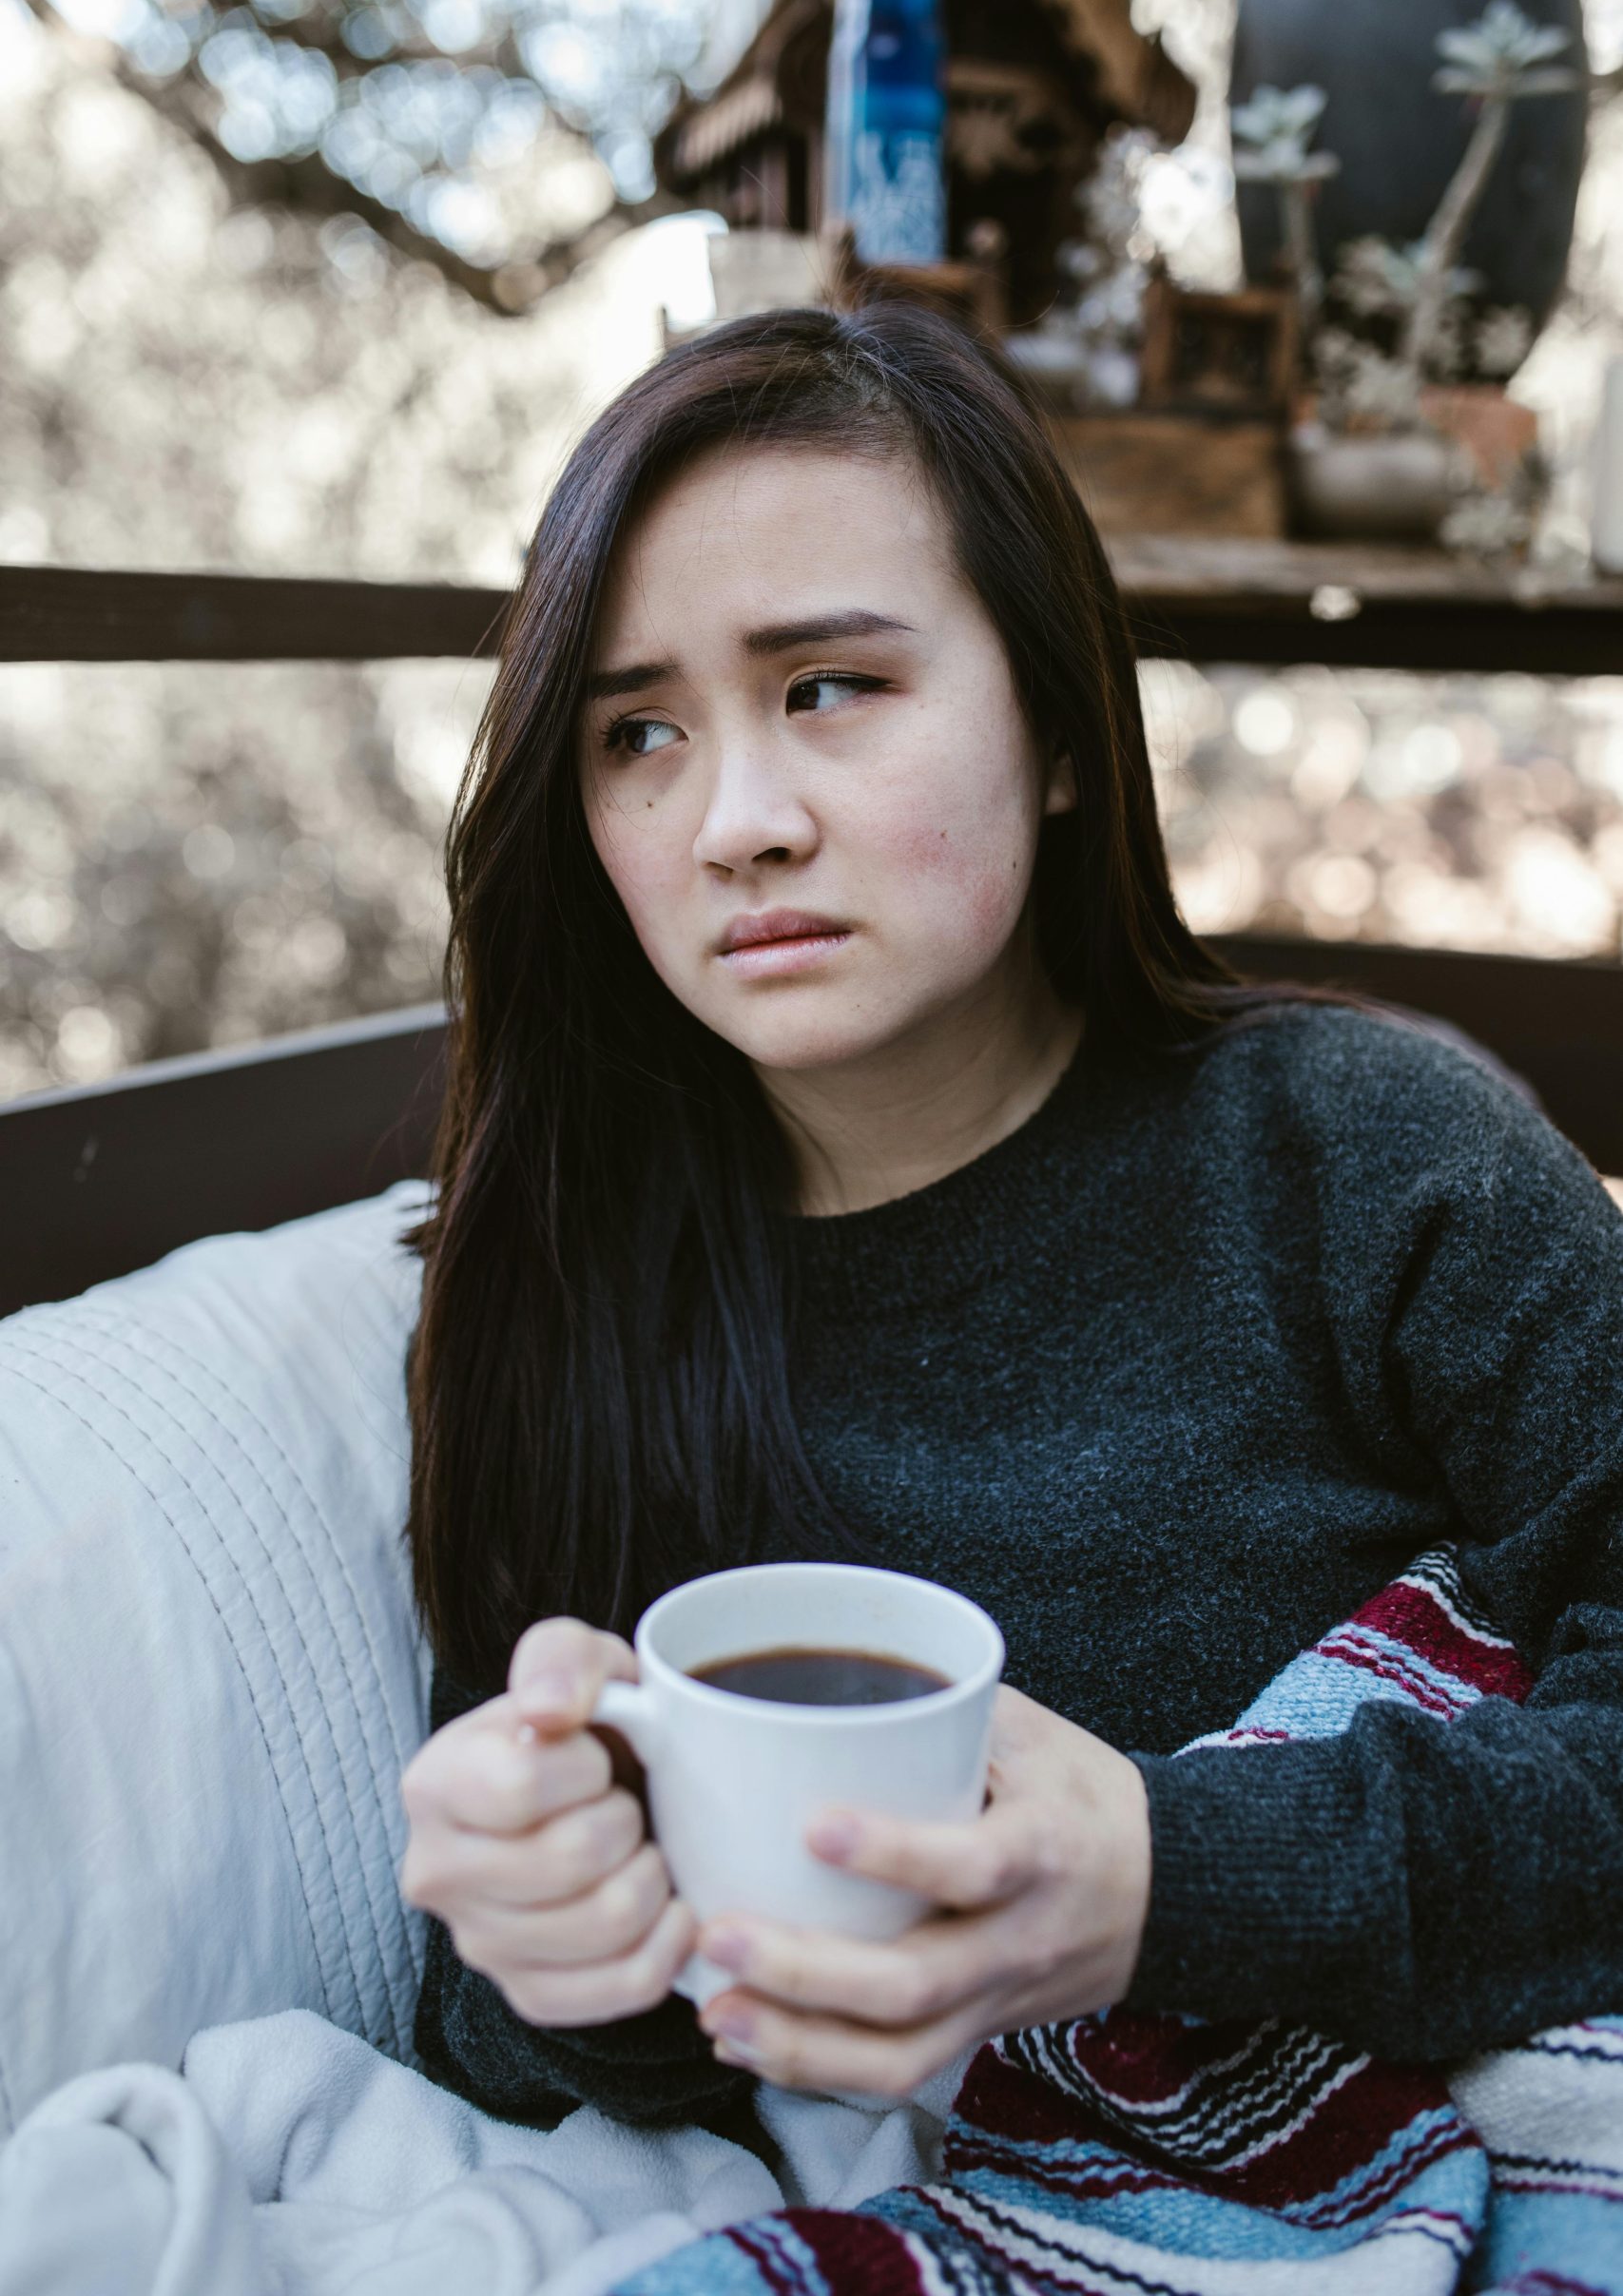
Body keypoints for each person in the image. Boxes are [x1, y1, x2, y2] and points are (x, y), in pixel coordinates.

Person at [395, 300, 1623, 2146]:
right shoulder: (567, 1286)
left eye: (827, 686)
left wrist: (1164, 1875)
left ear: (1056, 726)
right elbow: (565, 2042)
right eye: (634, 730)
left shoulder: (1371, 1161)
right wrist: (557, 1941)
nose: (733, 819)